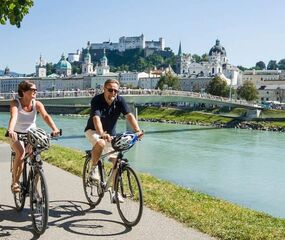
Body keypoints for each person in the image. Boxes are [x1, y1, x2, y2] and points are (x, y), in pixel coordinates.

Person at [84, 79, 144, 202]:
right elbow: (96, 118)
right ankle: (94, 168)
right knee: (100, 143)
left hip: (111, 135)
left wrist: (137, 131)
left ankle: (115, 192)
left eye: (115, 91)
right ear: (104, 89)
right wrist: (101, 134)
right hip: (93, 131)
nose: (113, 93)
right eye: (110, 90)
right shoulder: (97, 100)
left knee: (117, 162)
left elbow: (129, 115)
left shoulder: (119, 100)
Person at [7, 80, 60, 193]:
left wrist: (54, 129)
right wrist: (11, 130)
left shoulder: (37, 104)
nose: (35, 91)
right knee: (21, 154)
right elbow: (14, 116)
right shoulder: (15, 103)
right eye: (32, 90)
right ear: (23, 91)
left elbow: (45, 116)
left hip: (32, 135)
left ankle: (34, 187)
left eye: (36, 89)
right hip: (16, 134)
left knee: (37, 161)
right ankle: (15, 182)